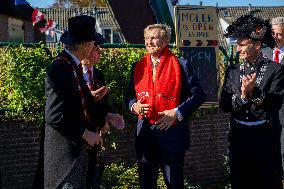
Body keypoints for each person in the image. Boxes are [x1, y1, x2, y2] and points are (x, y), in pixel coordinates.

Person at [125, 24, 206, 189]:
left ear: (165, 41)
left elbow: (198, 95)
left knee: (174, 183)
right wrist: (134, 106)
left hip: (172, 136)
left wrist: (177, 113)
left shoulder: (181, 65)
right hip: (145, 135)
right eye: (147, 38)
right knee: (146, 184)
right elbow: (128, 96)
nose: (149, 42)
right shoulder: (137, 67)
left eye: (154, 38)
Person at [220, 13, 284, 189]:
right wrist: (242, 96)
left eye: (242, 45)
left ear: (257, 44)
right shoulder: (232, 71)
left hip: (263, 136)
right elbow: (224, 104)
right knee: (240, 181)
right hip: (238, 136)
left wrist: (253, 92)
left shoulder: (275, 69)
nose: (238, 49)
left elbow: (274, 104)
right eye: (238, 45)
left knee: (265, 181)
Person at [44, 15, 105, 189]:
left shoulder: (72, 65)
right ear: (86, 45)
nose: (96, 47)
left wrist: (106, 113)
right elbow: (54, 116)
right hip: (65, 158)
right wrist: (85, 134)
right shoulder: (60, 68)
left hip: (76, 154)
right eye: (94, 43)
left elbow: (76, 102)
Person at [81, 44, 125, 189]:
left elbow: (102, 103)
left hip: (95, 135)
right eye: (95, 49)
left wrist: (109, 117)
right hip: (78, 134)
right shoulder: (73, 74)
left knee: (93, 174)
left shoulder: (99, 74)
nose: (100, 52)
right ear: (84, 50)